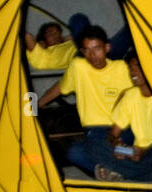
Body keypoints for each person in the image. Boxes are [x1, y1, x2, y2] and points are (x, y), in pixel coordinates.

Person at [37, 26, 132, 174]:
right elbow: (59, 88)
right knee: (74, 153)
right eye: (87, 50)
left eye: (97, 49)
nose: (92, 55)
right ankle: (122, 168)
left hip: (121, 127)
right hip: (96, 130)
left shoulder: (121, 68)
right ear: (82, 52)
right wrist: (36, 105)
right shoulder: (78, 67)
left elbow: (134, 98)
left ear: (107, 48)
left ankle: (116, 168)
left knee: (116, 147)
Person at [93, 54, 152, 183]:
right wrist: (116, 144)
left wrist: (145, 150)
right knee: (94, 143)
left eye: (137, 67)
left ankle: (124, 172)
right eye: (130, 68)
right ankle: (151, 174)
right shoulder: (130, 95)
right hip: (135, 153)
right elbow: (113, 134)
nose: (133, 72)